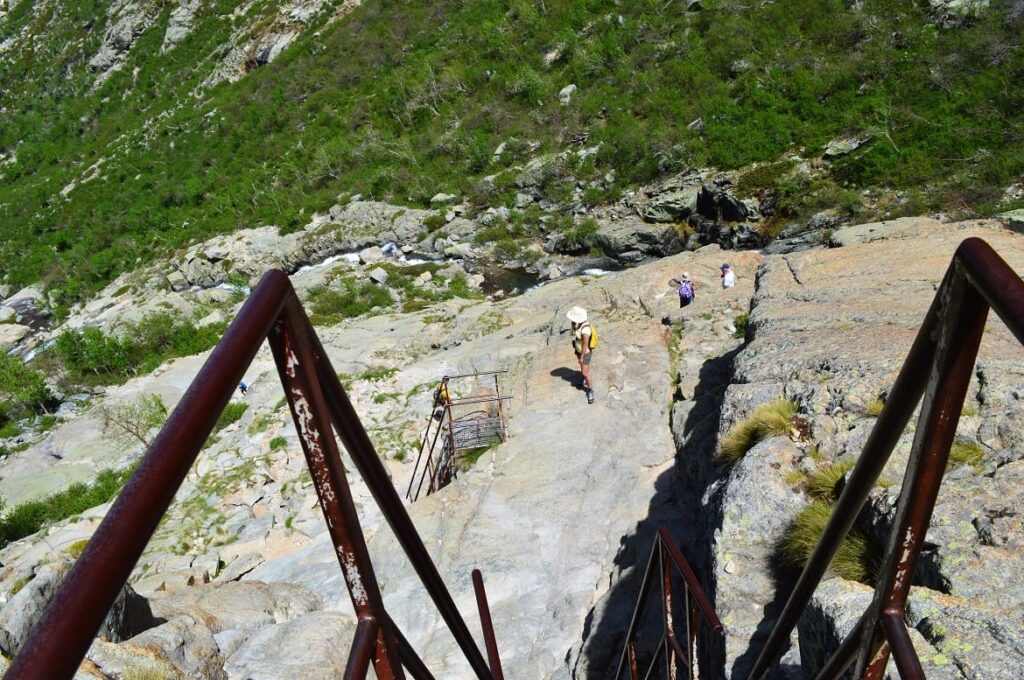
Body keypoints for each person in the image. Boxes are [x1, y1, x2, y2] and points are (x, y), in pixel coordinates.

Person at [566, 306, 595, 404]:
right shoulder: (577, 324)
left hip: (584, 352)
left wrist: (582, 357)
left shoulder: (585, 330)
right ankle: (582, 377)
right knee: (582, 368)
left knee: (585, 373)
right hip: (578, 350)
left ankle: (590, 390)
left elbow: (585, 345)